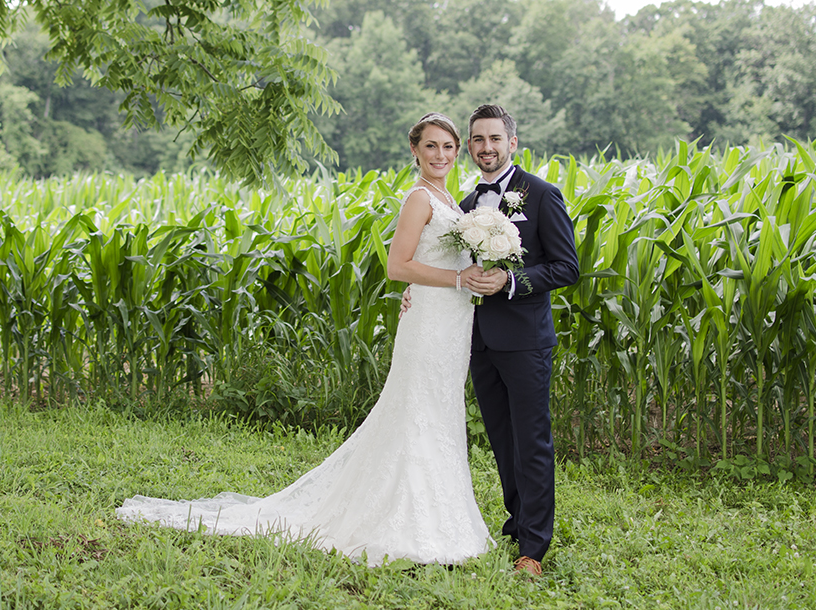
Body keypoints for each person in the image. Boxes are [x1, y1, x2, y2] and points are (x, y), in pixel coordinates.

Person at [116, 113, 495, 567]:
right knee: (418, 410)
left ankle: (441, 514)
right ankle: (410, 524)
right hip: (432, 320)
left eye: (448, 147)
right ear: (414, 150)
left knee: (439, 410)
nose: (440, 155)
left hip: (450, 321)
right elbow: (398, 267)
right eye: (430, 147)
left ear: (459, 152)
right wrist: (457, 278)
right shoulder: (419, 199)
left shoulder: (448, 197)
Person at [449, 104, 579, 576]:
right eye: (478, 140)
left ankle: (534, 547)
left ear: (512, 144)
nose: (486, 148)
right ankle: (518, 520)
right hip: (480, 341)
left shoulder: (541, 196)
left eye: (495, 139)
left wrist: (510, 280)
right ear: (470, 147)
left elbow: (567, 268)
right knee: (503, 439)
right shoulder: (465, 206)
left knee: (532, 440)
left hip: (525, 341)